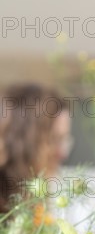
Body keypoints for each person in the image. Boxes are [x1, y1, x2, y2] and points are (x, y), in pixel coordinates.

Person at [0, 84, 72, 212]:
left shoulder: (33, 201)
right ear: (22, 140)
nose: (63, 153)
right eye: (54, 139)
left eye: (65, 139)